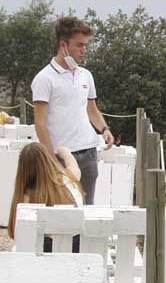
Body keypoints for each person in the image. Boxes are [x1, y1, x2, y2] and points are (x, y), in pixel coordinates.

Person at [31, 16, 114, 205]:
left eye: (85, 45)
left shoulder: (86, 75)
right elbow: (40, 123)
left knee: (86, 208)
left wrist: (104, 129)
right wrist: (50, 158)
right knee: (61, 212)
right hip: (60, 155)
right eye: (79, 45)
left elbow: (92, 110)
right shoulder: (44, 78)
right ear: (63, 45)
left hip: (89, 152)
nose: (84, 50)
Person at [6, 142, 83, 241]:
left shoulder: (25, 197)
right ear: (48, 160)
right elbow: (73, 166)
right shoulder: (67, 179)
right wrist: (65, 153)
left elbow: (17, 232)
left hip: (41, 251)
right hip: (74, 248)